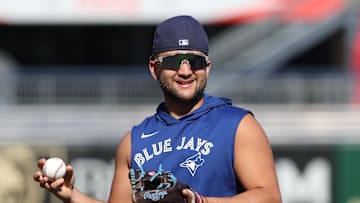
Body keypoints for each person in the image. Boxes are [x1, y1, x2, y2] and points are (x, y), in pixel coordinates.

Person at [34, 15, 282, 203]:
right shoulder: (133, 142)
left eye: (194, 61)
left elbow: (269, 197)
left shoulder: (237, 125)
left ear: (207, 67)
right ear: (154, 68)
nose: (185, 71)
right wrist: (71, 195)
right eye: (174, 62)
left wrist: (199, 201)